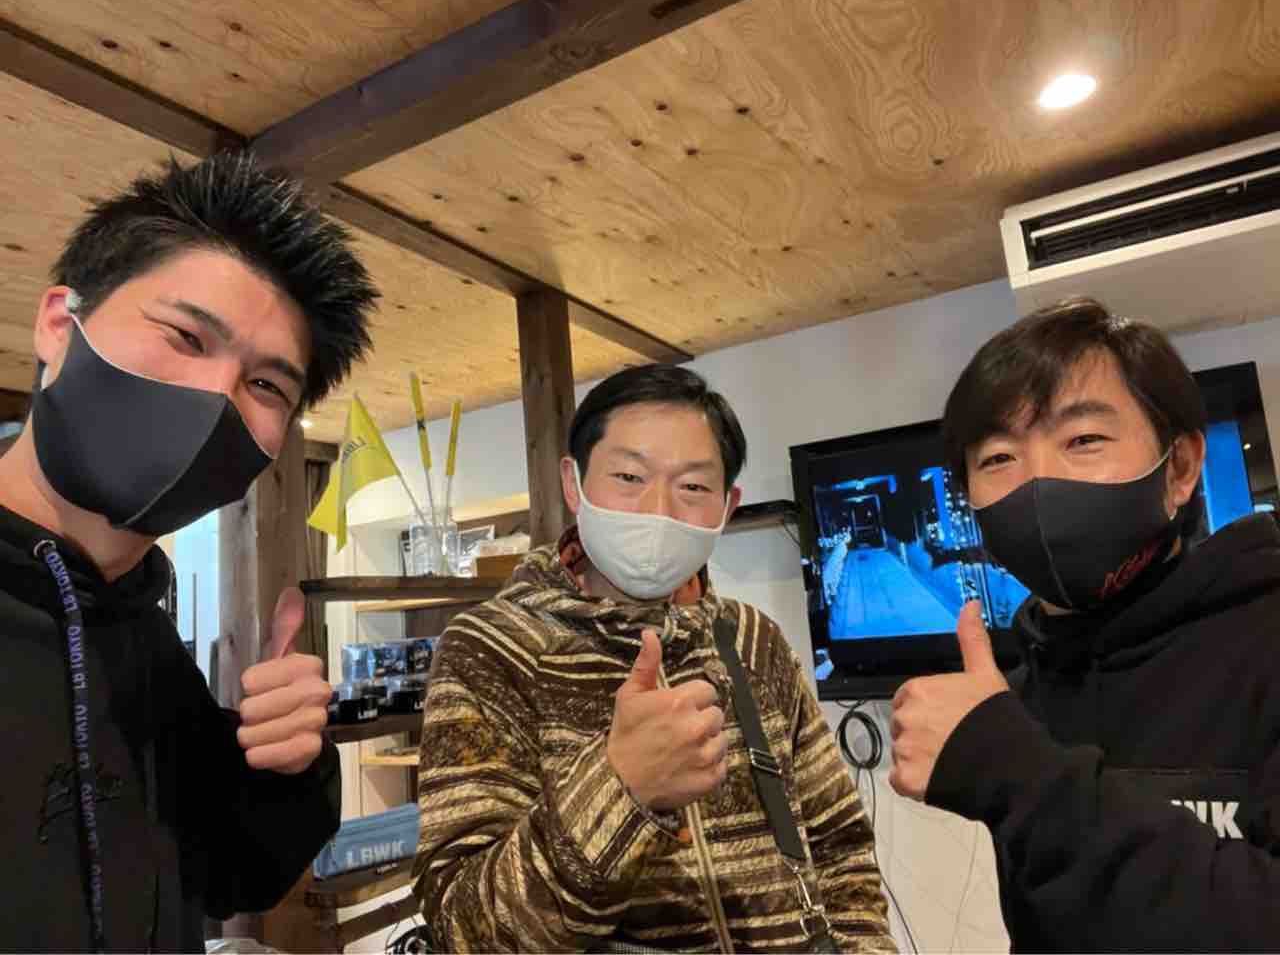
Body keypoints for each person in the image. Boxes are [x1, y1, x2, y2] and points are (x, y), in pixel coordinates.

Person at [0, 152, 379, 951]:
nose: (217, 398)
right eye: (185, 336)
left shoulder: (142, 630)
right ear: (59, 324)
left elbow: (230, 876)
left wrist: (288, 765)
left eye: (267, 386)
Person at [413, 365, 894, 953]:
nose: (658, 509)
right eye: (628, 476)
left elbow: (841, 849)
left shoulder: (751, 640)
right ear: (574, 483)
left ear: (726, 505)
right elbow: (463, 928)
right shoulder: (490, 649)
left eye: (692, 487)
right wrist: (621, 789)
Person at [888, 297, 1280, 950]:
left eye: (1083, 440)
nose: (1038, 483)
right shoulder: (1022, 691)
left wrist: (1016, 773)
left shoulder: (1264, 638)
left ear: (1181, 467)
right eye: (998, 458)